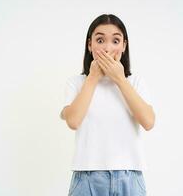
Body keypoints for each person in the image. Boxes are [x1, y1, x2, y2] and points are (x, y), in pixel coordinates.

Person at [60, 14, 155, 196]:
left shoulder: (135, 82)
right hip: (86, 178)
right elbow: (73, 121)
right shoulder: (76, 83)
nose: (107, 48)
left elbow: (148, 122)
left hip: (130, 177)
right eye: (100, 40)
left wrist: (119, 79)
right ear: (90, 45)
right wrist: (93, 76)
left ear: (124, 46)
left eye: (115, 41)